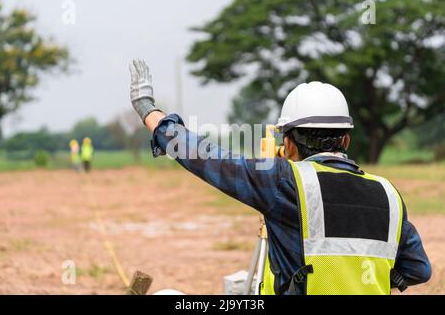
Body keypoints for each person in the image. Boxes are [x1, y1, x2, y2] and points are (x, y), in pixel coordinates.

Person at [128, 59, 431, 295]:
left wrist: (148, 111)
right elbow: (418, 269)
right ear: (346, 141)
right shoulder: (388, 194)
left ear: (286, 143)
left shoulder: (284, 182)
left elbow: (204, 156)